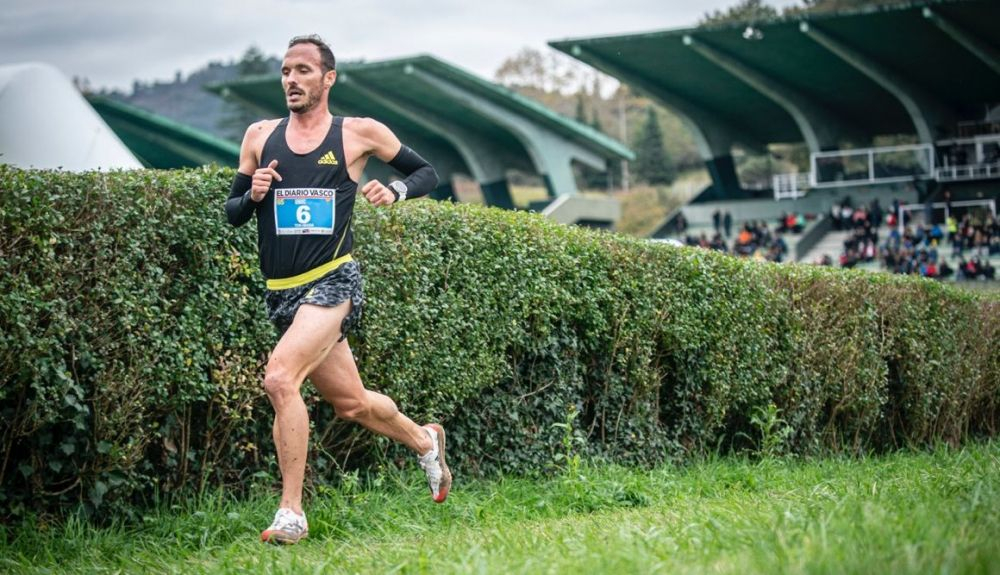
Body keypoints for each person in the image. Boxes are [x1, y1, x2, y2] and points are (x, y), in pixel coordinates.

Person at [224, 35, 451, 545]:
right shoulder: (260, 136)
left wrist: (394, 190)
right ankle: (424, 440)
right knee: (351, 403)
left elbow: (425, 172)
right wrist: (253, 193)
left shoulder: (357, 133)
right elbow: (233, 212)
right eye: (286, 71)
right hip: (282, 292)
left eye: (303, 70)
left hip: (332, 281)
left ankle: (291, 513)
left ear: (327, 79)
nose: (291, 80)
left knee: (281, 378)